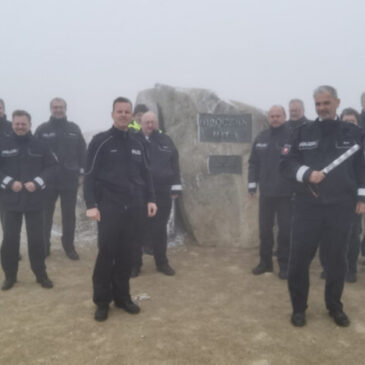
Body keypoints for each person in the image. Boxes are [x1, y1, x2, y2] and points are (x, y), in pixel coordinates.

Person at [280, 85, 365, 327]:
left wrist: (361, 197)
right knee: (298, 262)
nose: (322, 108)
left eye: (326, 103)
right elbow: (285, 164)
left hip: (340, 208)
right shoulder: (301, 132)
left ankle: (334, 307)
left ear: (337, 103)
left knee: (336, 262)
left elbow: (361, 168)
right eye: (318, 104)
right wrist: (307, 174)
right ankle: (299, 308)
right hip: (308, 207)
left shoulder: (353, 133)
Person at [84, 97, 157, 322]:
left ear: (131, 114)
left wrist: (151, 199)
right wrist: (91, 205)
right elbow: (89, 175)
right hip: (109, 207)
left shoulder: (138, 143)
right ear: (112, 114)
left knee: (127, 254)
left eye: (127, 111)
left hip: (134, 206)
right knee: (107, 254)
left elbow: (146, 174)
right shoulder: (101, 141)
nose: (123, 115)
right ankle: (102, 301)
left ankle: (123, 298)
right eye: (119, 111)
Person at [0, 110, 57, 290]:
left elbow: (52, 166)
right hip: (11, 201)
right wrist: (9, 183)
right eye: (17, 123)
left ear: (29, 124)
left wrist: (38, 182)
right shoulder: (3, 144)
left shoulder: (40, 144)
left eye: (23, 123)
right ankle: (10, 276)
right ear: (13, 124)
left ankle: (41, 275)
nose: (20, 126)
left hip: (35, 201)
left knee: (36, 241)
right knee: (9, 240)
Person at [132, 111, 182, 277]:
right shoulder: (133, 140)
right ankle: (135, 264)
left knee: (159, 229)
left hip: (162, 191)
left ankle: (162, 263)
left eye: (153, 122)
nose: (150, 125)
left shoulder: (165, 140)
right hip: (139, 192)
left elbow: (174, 163)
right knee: (137, 228)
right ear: (141, 123)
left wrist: (176, 186)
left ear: (157, 124)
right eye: (147, 122)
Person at [35, 98, 86, 260]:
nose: (58, 110)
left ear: (66, 109)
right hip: (48, 180)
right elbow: (35, 154)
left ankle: (69, 246)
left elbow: (82, 152)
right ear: (50, 109)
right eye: (55, 107)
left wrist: (82, 173)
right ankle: (44, 246)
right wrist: (38, 178)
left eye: (61, 107)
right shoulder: (42, 130)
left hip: (69, 179)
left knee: (69, 216)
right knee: (45, 215)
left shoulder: (73, 129)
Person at [248, 105, 293, 279]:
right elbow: (253, 163)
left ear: (284, 116)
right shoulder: (261, 138)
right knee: (265, 231)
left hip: (286, 194)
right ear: (268, 118)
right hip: (266, 193)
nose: (275, 118)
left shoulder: (291, 137)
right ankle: (265, 263)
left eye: (278, 115)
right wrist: (252, 185)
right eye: (272, 116)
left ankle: (285, 266)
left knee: (285, 232)